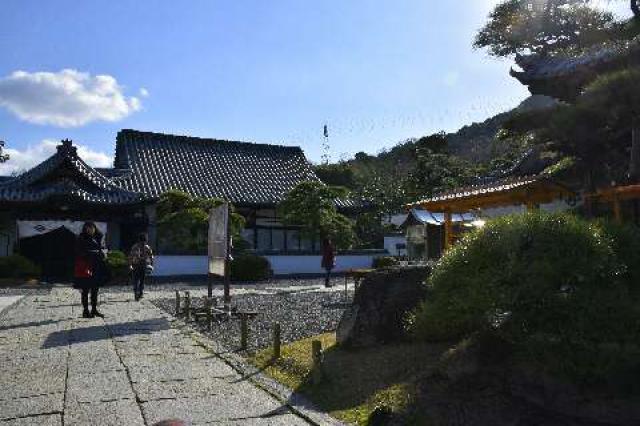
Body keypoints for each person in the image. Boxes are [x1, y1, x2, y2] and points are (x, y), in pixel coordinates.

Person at [73, 222, 106, 318]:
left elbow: (100, 250)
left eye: (92, 228)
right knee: (85, 289)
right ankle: (86, 310)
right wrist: (91, 253)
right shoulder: (81, 239)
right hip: (86, 268)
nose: (90, 230)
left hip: (96, 267)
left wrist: (102, 253)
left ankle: (94, 309)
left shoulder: (97, 238)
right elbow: (78, 252)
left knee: (95, 290)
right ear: (85, 229)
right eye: (88, 228)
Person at [129, 232, 154, 301]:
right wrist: (130, 265)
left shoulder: (146, 247)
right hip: (137, 265)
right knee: (136, 280)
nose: (143, 243)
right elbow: (131, 256)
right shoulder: (136, 247)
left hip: (142, 265)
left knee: (141, 280)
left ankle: (140, 293)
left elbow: (151, 256)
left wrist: (151, 265)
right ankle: (137, 293)